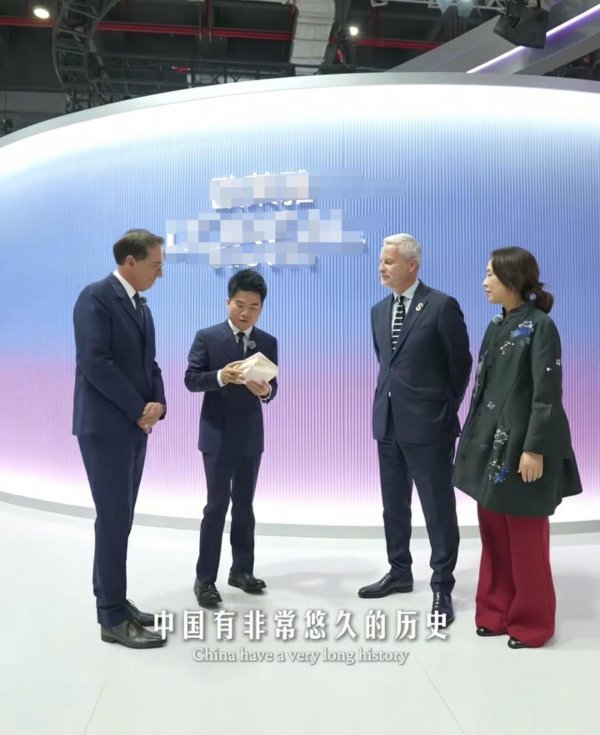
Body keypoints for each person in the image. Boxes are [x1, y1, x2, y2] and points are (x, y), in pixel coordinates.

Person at [453, 246, 582, 649]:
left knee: (526, 540)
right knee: (493, 536)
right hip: (489, 446)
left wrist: (535, 449)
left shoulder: (541, 327)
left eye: (491, 274)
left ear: (513, 278)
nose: (484, 282)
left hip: (523, 448)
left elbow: (547, 394)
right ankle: (494, 612)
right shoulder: (496, 326)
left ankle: (532, 624)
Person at [359, 233, 472, 627]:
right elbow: (387, 364)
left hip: (430, 425)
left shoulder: (440, 306)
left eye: (389, 261)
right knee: (394, 504)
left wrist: (443, 409)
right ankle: (399, 571)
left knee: (437, 507)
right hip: (388, 421)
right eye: (381, 261)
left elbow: (460, 364)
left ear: (412, 265)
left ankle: (442, 584)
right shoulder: (378, 310)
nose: (381, 267)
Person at [73, 229, 167, 649]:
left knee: (120, 519)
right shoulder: (95, 298)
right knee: (113, 519)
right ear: (131, 261)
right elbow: (96, 362)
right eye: (155, 265)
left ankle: (112, 599)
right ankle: (111, 617)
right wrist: (138, 408)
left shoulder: (140, 306)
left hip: (134, 427)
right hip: (106, 427)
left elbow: (151, 364)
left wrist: (159, 404)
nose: (159, 274)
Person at [185, 269, 278, 608]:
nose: (245, 312)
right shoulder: (207, 337)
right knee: (216, 506)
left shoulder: (267, 342)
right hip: (217, 435)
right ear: (228, 302)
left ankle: (241, 570)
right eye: (240, 304)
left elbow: (273, 387)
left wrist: (266, 391)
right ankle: (205, 579)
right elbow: (191, 380)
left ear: (261, 308)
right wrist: (221, 376)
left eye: (253, 307)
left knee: (244, 506)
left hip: (250, 436)